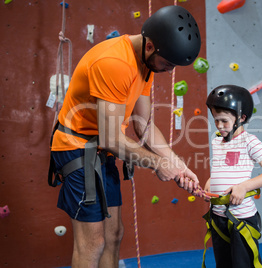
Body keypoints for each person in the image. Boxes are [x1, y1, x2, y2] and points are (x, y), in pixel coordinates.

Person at [48, 5, 201, 267]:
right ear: (151, 46)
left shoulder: (146, 64)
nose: (169, 71)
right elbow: (111, 139)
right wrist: (157, 163)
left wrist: (178, 165)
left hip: (101, 151)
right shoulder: (114, 63)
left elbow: (144, 125)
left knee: (114, 234)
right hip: (76, 147)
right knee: (92, 243)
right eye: (168, 64)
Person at [203, 85, 262, 268]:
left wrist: (244, 186)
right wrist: (210, 182)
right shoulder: (217, 141)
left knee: (243, 264)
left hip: (240, 219)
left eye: (224, 121)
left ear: (241, 118)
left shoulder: (249, 141)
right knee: (223, 264)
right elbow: (222, 167)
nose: (219, 126)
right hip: (218, 218)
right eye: (216, 121)